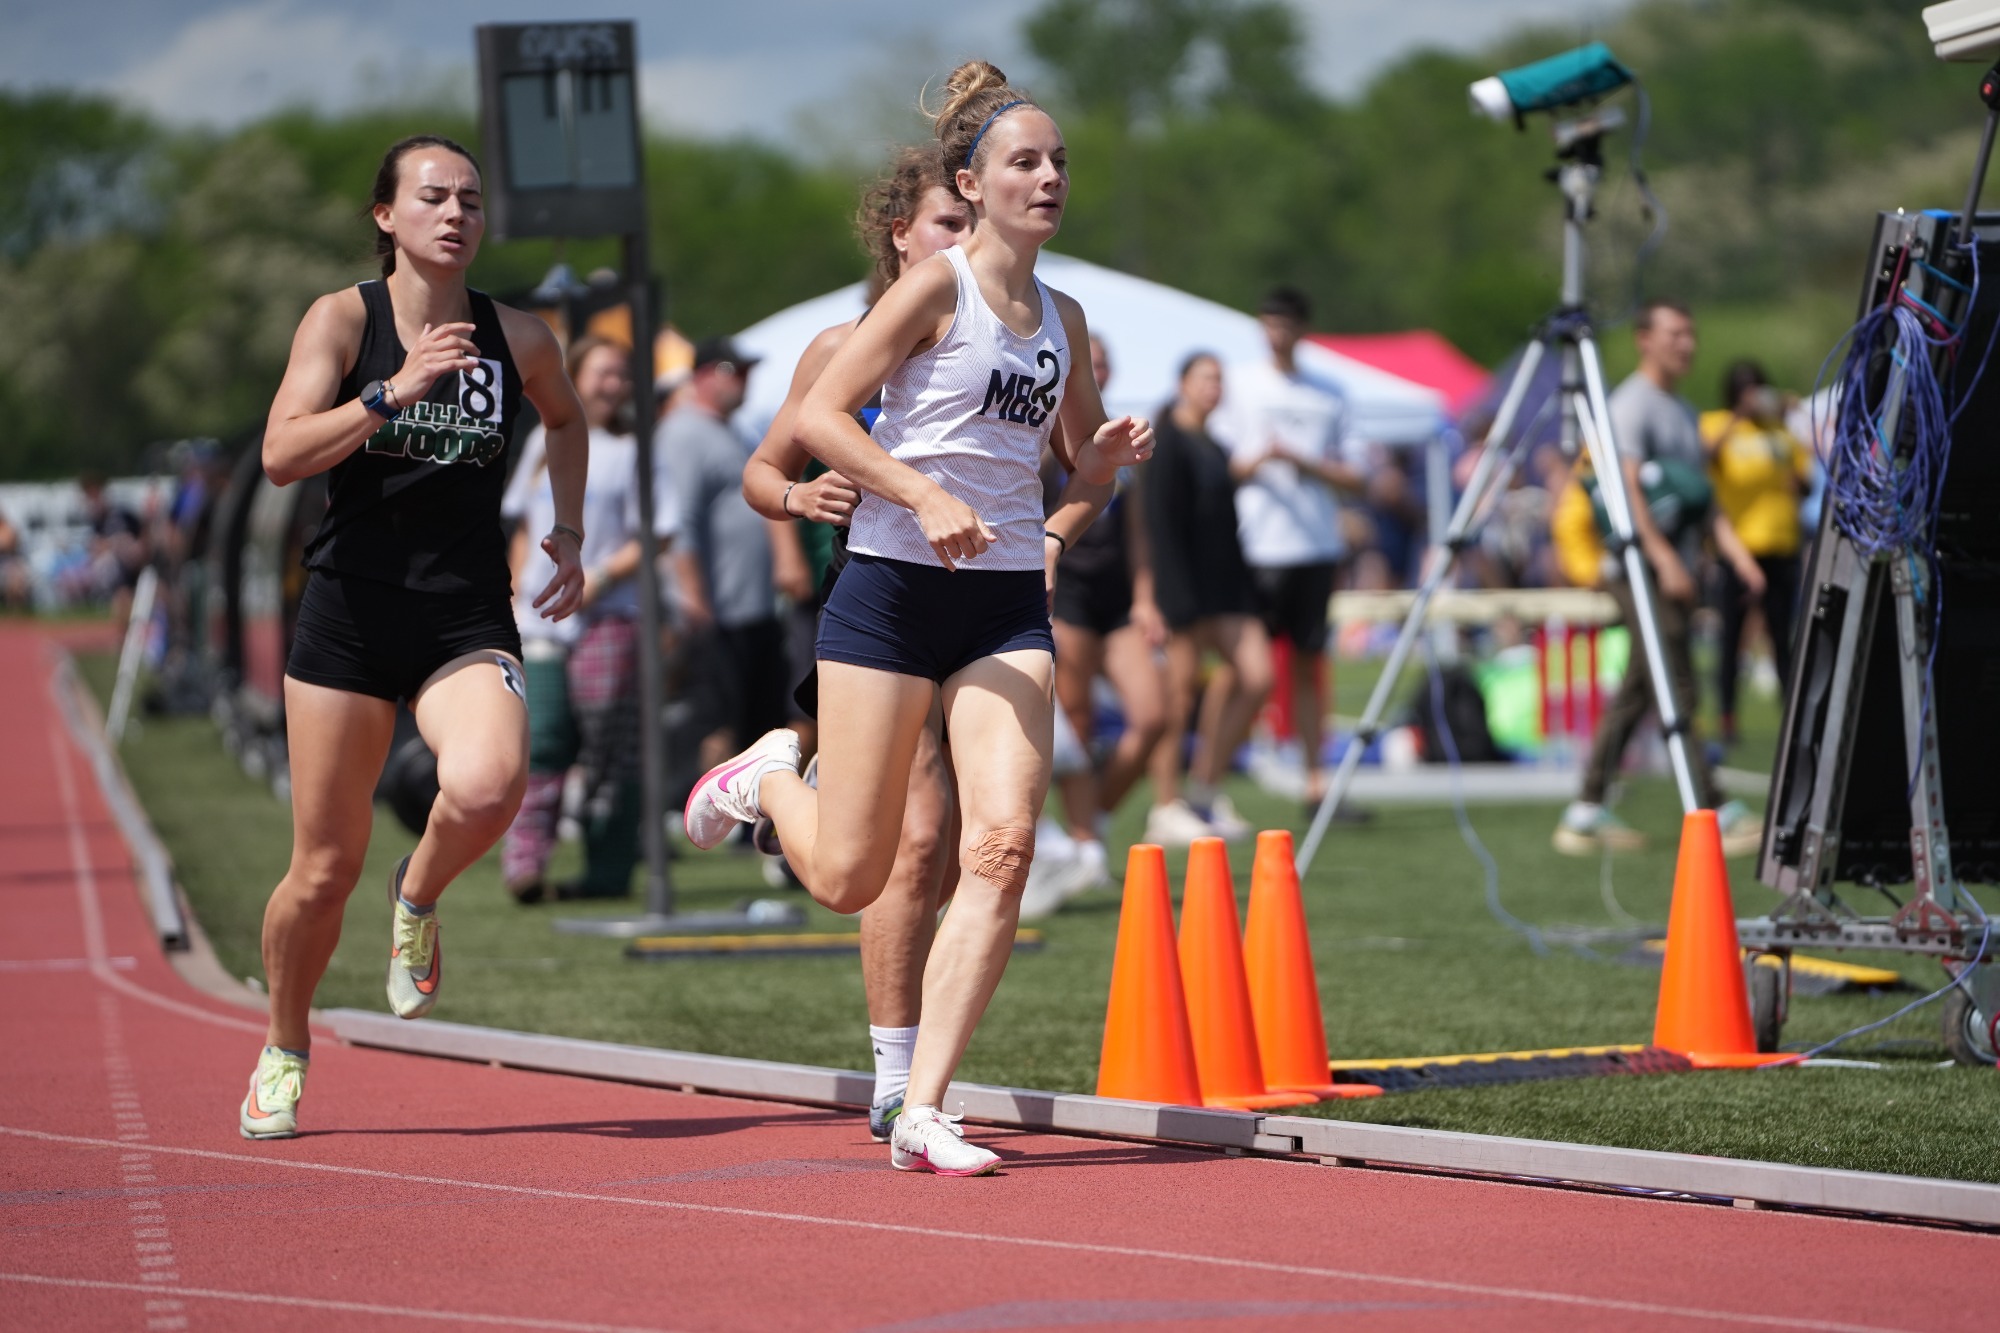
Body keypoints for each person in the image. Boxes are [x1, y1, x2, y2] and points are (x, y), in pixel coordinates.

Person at [688, 60, 1147, 1176]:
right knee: (852, 874)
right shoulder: (935, 289)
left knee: (1001, 845)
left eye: (1059, 161)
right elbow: (820, 417)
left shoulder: (1065, 317)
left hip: (1002, 609)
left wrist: (1080, 490)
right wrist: (918, 493)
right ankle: (766, 779)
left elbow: (1082, 471)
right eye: (1025, 162)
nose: (1049, 178)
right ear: (972, 184)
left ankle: (922, 1106)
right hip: (890, 597)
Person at [239, 134, 587, 1139]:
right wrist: (393, 390)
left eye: (470, 199)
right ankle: (284, 1044)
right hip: (349, 615)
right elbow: (280, 454)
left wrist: (565, 529)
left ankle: (419, 891)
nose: (456, 214)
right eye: (433, 197)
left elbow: (565, 421)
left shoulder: (519, 337)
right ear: (386, 217)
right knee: (321, 869)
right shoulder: (343, 319)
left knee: (488, 784)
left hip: (462, 614)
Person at [741, 143, 971, 1141]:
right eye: (949, 224)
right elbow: (762, 471)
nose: (965, 241)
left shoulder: (1003, 338)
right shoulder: (840, 346)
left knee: (958, 856)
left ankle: (774, 780)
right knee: (909, 845)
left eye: (974, 224)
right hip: (877, 605)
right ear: (900, 235)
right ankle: (895, 1078)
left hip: (986, 606)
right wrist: (800, 497)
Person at [1552, 301, 1762, 858]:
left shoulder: (1684, 411)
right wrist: (1664, 558)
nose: (1686, 344)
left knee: (1642, 688)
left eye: (1691, 333)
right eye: (1675, 333)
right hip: (1639, 568)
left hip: (1674, 569)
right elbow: (1625, 489)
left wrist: (1739, 557)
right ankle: (1713, 809)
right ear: (1644, 339)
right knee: (1676, 684)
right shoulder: (1630, 405)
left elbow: (1703, 500)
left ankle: (1585, 810)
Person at [499, 334, 673, 903]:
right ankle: (525, 865)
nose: (613, 384)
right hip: (540, 618)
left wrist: (599, 578)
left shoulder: (635, 450)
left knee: (608, 746)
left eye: (621, 374)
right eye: (603, 372)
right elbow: (523, 526)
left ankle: (607, 870)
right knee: (542, 739)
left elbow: (657, 533)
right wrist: (513, 590)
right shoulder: (541, 441)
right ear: (573, 375)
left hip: (607, 613)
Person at [1209, 286, 1367, 826]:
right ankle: (1207, 783)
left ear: (1302, 328)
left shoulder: (1330, 391)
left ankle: (1316, 783)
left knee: (1307, 664)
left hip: (1315, 546)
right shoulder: (1240, 385)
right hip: (1257, 546)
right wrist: (1259, 461)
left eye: (1285, 323)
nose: (1276, 332)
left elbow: (1358, 476)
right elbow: (1218, 466)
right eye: (1269, 322)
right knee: (1241, 670)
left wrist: (1302, 462)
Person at [1044, 334, 1167, 878]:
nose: (1097, 371)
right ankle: (1083, 840)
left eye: (1103, 364)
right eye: (1088, 363)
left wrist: (1146, 598)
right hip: (1066, 587)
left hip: (1117, 598)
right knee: (1077, 723)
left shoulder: (1124, 434)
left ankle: (1095, 819)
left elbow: (1137, 531)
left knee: (1154, 717)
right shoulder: (1043, 427)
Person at [1143, 352, 1275, 845]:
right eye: (1205, 378)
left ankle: (1205, 789)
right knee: (1177, 697)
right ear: (1183, 383)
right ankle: (1165, 806)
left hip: (1228, 587)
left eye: (1219, 379)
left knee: (1257, 676)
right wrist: (1163, 597)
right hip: (1182, 588)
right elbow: (1158, 524)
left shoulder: (1216, 445)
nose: (1213, 387)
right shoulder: (1166, 441)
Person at [663, 337, 785, 774]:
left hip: (746, 607)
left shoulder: (726, 430)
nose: (744, 380)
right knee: (716, 719)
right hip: (717, 611)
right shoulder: (684, 432)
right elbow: (677, 520)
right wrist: (693, 595)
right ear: (702, 374)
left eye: (748, 371)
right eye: (734, 370)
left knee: (753, 718)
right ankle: (690, 800)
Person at [1701, 359, 1810, 744]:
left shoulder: (1779, 430)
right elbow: (1704, 456)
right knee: (1731, 638)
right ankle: (1727, 717)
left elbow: (1805, 481)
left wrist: (1792, 414)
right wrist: (1738, 417)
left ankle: (1792, 716)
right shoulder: (1717, 423)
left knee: (1783, 637)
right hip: (1740, 549)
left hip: (1782, 545)